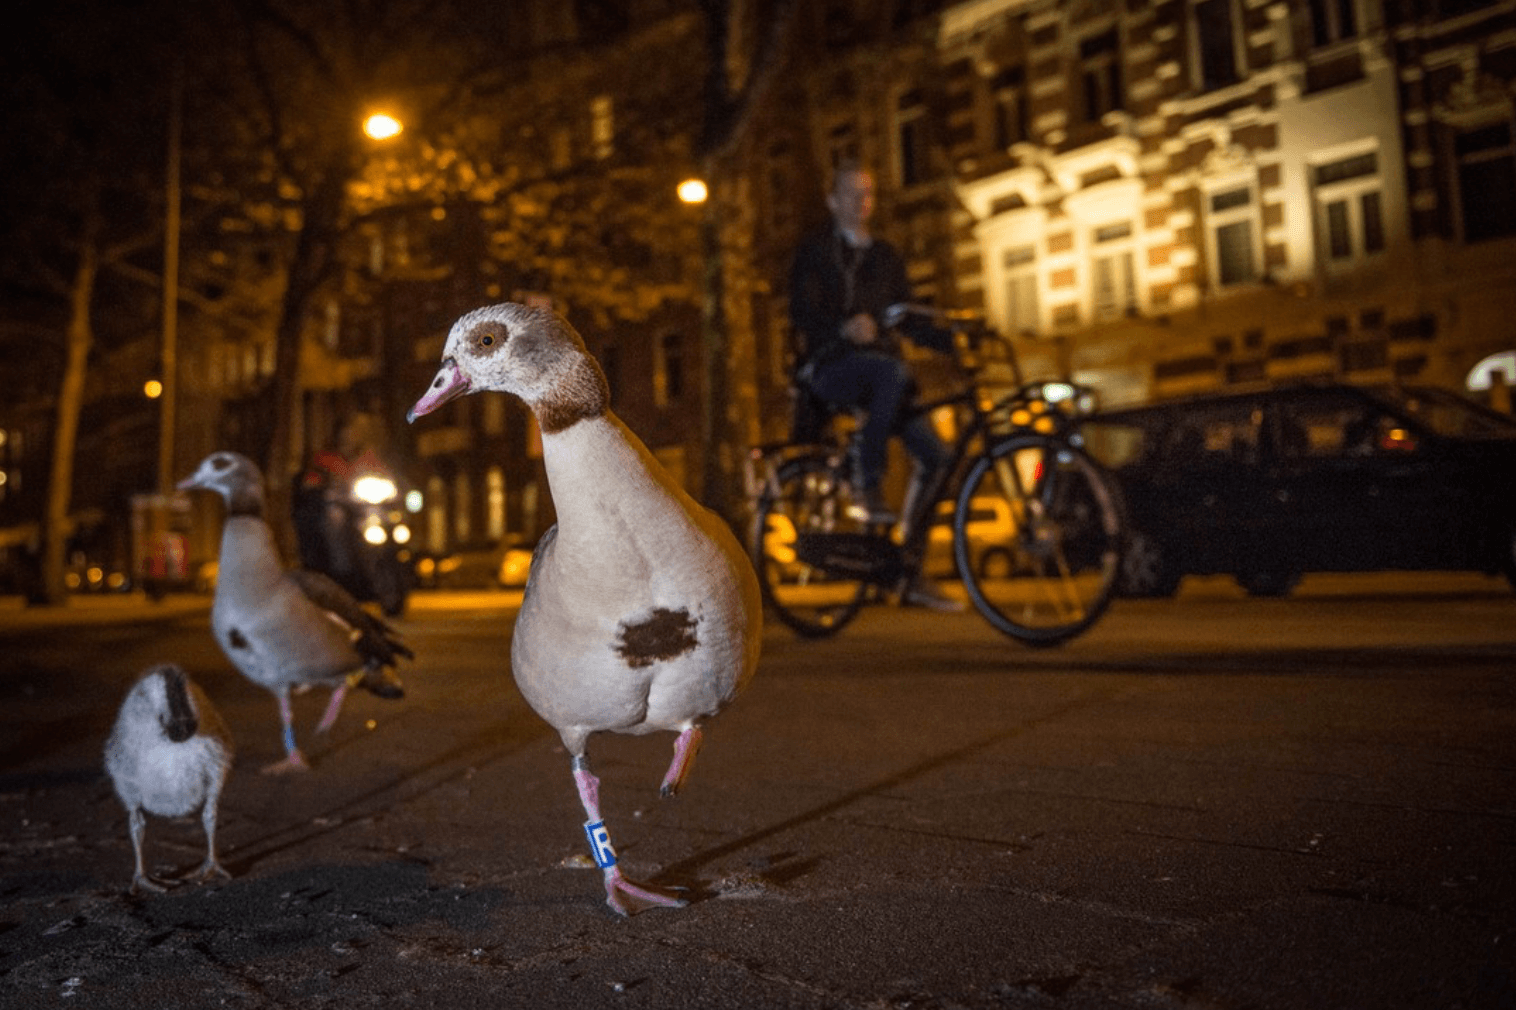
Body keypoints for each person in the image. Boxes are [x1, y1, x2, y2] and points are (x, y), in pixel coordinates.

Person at [788, 160, 962, 611]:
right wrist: (842, 329)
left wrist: (954, 339)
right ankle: (868, 484)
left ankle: (908, 569)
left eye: (868, 193)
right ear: (832, 200)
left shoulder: (885, 256)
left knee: (937, 458)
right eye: (851, 193)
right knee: (889, 373)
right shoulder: (816, 253)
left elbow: (904, 315)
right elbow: (801, 313)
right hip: (830, 369)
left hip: (886, 376)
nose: (861, 202)